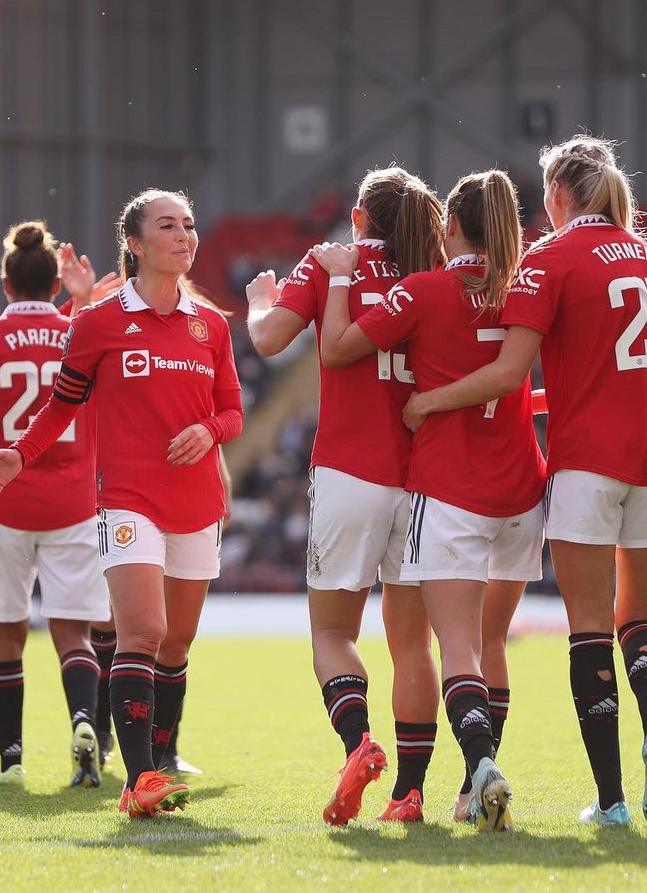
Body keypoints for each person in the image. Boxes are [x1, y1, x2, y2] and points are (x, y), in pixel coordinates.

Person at [404, 136, 647, 827]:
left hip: (587, 465)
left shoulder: (548, 261)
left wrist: (428, 401)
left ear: (561, 195)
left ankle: (611, 801)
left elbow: (510, 373)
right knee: (641, 625)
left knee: (592, 629)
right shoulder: (642, 251)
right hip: (644, 458)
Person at [0, 189, 242, 817]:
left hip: (197, 501)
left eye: (189, 224)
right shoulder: (96, 323)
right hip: (127, 501)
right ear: (135, 243)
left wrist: (210, 431)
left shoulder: (213, 324)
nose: (184, 236)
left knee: (176, 644)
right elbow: (62, 403)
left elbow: (232, 409)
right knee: (143, 631)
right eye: (168, 226)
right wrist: (20, 452)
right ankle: (139, 780)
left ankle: (164, 758)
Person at [314, 169, 543, 831]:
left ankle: (480, 769)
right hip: (523, 488)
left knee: (459, 650)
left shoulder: (424, 290)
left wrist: (335, 279)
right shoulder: (526, 286)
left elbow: (336, 348)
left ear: (450, 226)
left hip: (451, 490)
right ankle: (472, 793)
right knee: (490, 641)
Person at [244, 167, 445, 824]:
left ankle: (358, 743)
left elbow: (270, 340)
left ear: (359, 217)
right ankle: (409, 794)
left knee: (333, 631)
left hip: (350, 473)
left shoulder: (337, 261)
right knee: (412, 644)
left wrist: (259, 300)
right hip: (424, 479)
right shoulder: (434, 272)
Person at [0, 221, 110, 788]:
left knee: (6, 633)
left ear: (4, 283)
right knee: (74, 635)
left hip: (3, 503)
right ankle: (84, 723)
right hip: (74, 502)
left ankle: (11, 762)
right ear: (56, 284)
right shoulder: (80, 332)